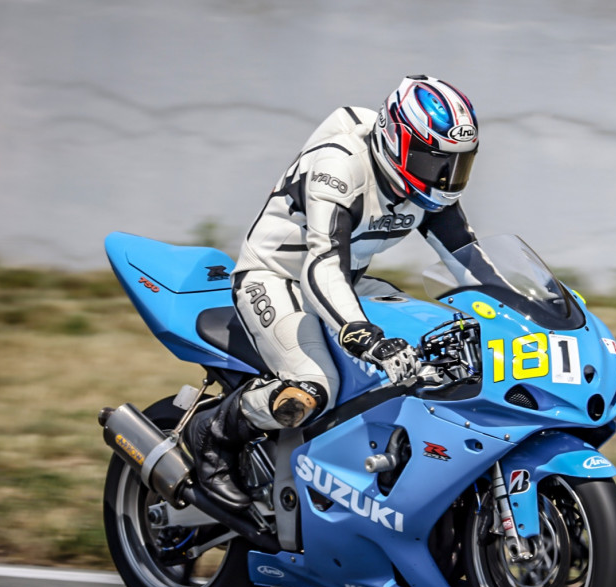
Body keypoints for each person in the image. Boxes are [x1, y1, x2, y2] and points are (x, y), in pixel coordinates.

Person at [186, 74, 480, 509]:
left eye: (457, 165)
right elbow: (321, 265)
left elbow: (470, 261)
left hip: (348, 280)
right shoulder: (339, 167)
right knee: (315, 386)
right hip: (277, 277)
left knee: (441, 350)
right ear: (396, 141)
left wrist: (531, 311)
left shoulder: (426, 188)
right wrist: (364, 335)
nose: (445, 178)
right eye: (433, 162)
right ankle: (212, 433)